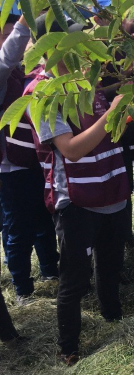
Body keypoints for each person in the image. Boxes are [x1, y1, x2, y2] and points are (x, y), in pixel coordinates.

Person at [25, 17, 129, 365]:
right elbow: (70, 150)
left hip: (111, 189)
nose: (83, 50)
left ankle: (114, 317)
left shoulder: (88, 81)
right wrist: (112, 115)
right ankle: (68, 347)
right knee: (74, 279)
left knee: (111, 264)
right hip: (77, 201)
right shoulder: (43, 94)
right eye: (74, 44)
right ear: (51, 49)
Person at [0, 14, 60, 305]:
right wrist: (24, 23)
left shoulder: (29, 72)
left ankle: (50, 271)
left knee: (43, 219)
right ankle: (22, 288)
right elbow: (7, 57)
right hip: (11, 165)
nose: (9, 43)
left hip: (37, 159)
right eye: (4, 37)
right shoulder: (4, 72)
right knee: (18, 228)